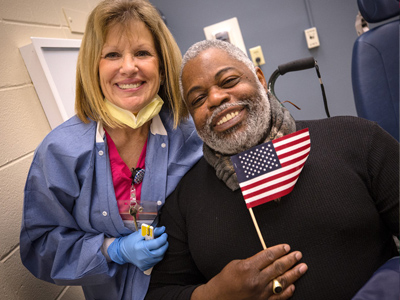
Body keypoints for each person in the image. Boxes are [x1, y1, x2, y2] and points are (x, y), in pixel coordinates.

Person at [145, 39, 399, 300]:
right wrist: (212, 295)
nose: (216, 98)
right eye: (198, 98)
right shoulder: (183, 201)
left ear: (260, 78)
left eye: (229, 81)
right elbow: (159, 293)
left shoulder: (357, 139)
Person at [20, 1, 203, 299]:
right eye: (112, 54)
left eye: (142, 53)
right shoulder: (61, 152)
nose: (128, 67)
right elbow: (40, 246)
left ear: (162, 63)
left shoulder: (187, 133)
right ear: (93, 66)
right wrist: (111, 250)